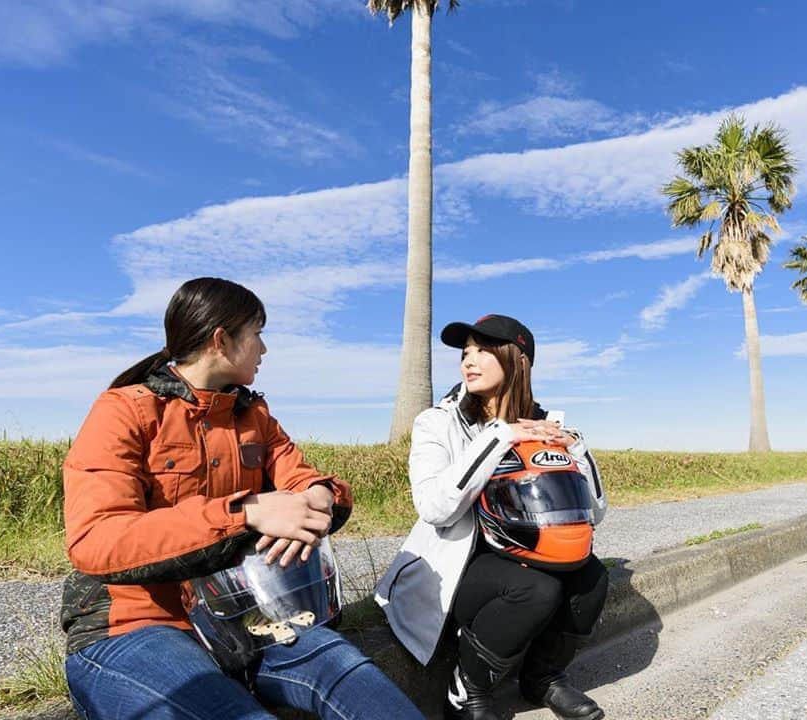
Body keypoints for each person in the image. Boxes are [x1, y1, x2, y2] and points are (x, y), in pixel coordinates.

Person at [61, 277, 422, 720]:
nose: (264, 351)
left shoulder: (254, 417)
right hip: (133, 627)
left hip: (247, 613)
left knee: (349, 671)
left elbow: (307, 478)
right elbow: (97, 540)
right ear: (221, 340)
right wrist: (246, 513)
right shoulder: (124, 410)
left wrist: (321, 495)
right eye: (258, 335)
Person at [375, 314, 609, 720]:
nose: (469, 360)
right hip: (451, 570)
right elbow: (435, 508)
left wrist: (576, 448)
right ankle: (467, 691)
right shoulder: (437, 422)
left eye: (483, 350)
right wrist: (500, 436)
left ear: (517, 359)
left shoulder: (546, 424)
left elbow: (597, 512)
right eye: (465, 352)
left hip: (522, 555)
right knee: (537, 589)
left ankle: (543, 678)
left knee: (592, 579)